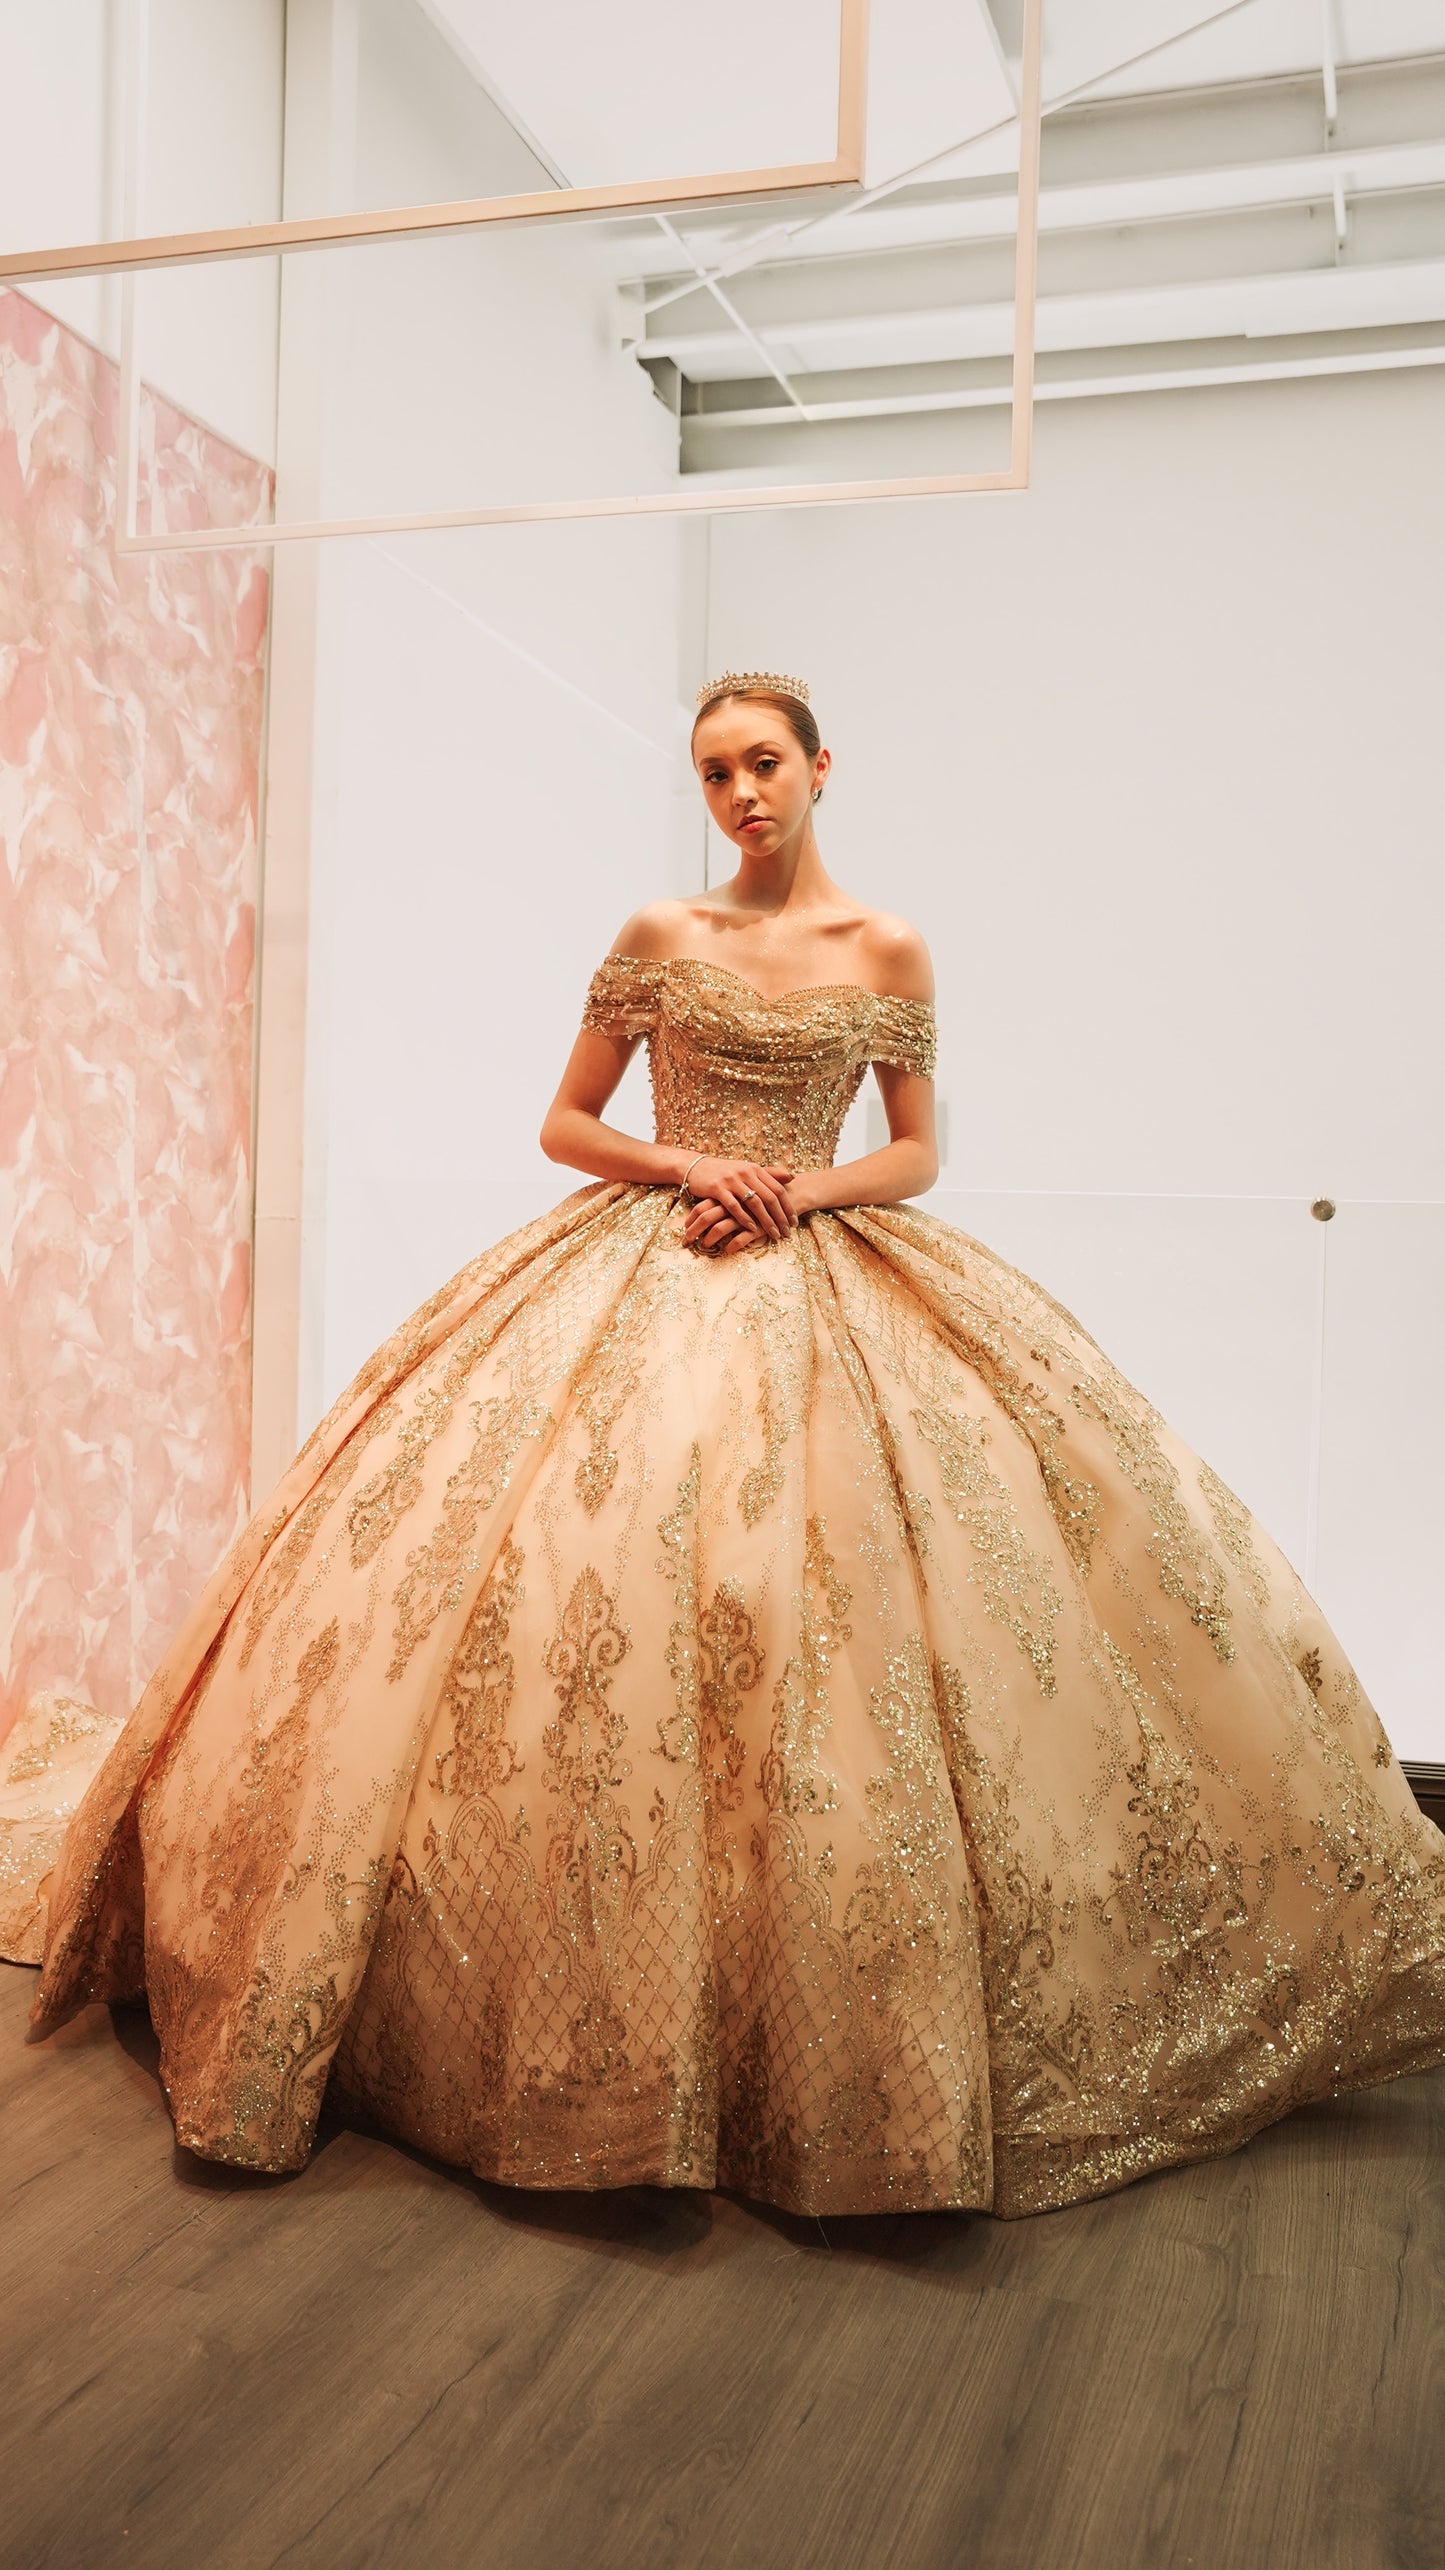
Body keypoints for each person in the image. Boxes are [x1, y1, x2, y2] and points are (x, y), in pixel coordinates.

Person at [14, 672, 1445, 2219]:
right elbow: (565, 1122)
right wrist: (689, 1157)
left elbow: (909, 1149)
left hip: (813, 1253)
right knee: (564, 1590)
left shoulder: (882, 947)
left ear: (823, 766)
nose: (740, 794)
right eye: (713, 773)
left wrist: (788, 1193)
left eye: (763, 763)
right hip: (640, 1243)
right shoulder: (657, 934)